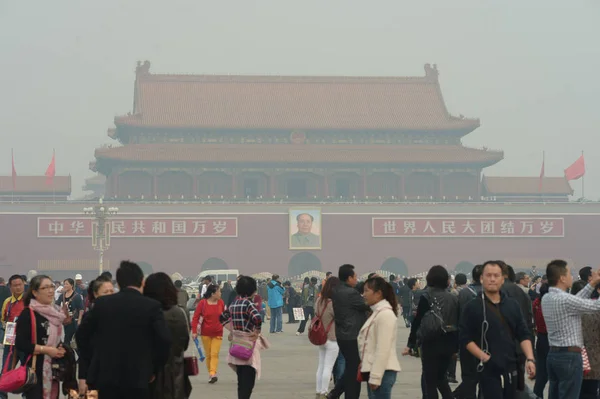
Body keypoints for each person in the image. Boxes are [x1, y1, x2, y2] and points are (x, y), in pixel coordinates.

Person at [76, 260, 171, 399]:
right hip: (139, 378)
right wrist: (153, 369)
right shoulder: (152, 306)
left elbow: (81, 335)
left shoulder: (103, 304)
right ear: (142, 281)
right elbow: (164, 341)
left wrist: (94, 359)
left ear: (118, 284)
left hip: (106, 377)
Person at [459, 261, 536, 399]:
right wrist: (484, 357)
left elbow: (523, 333)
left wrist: (530, 359)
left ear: (502, 279)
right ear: (481, 278)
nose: (492, 279)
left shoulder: (512, 305)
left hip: (511, 365)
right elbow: (465, 338)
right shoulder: (473, 306)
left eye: (496, 275)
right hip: (488, 368)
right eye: (488, 275)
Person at [542, 260, 600, 399]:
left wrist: (592, 283)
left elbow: (575, 300)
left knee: (555, 395)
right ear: (562, 278)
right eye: (569, 273)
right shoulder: (564, 300)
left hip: (553, 355)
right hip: (570, 357)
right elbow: (596, 306)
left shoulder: (547, 297)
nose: (571, 277)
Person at [405, 265, 459, 399]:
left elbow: (417, 322)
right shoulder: (453, 298)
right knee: (441, 378)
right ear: (446, 280)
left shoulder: (426, 296)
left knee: (430, 380)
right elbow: (458, 322)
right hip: (449, 342)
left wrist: (411, 343)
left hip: (430, 342)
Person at [15, 275, 67, 399]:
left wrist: (61, 349)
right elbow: (21, 343)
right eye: (45, 287)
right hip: (36, 369)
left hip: (53, 370)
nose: (50, 290)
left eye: (51, 287)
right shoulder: (28, 313)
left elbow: (57, 340)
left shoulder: (56, 312)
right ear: (35, 292)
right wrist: (47, 350)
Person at [144, 272, 191, 399]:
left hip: (150, 377)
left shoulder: (146, 313)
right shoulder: (182, 312)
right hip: (177, 376)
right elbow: (185, 343)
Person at [220, 276, 267, 399]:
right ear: (252, 290)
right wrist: (257, 331)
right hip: (247, 346)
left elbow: (222, 317)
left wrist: (232, 330)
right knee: (248, 383)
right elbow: (257, 318)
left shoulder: (234, 303)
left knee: (241, 382)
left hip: (236, 346)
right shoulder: (248, 304)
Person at [330, 264, 369, 399]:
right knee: (354, 368)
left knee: (351, 366)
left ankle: (335, 393)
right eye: (355, 277)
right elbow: (366, 304)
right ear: (348, 278)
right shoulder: (351, 293)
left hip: (342, 333)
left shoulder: (336, 290)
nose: (356, 280)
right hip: (351, 334)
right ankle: (349, 395)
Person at [360, 277, 401, 399]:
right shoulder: (377, 313)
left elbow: (383, 348)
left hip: (383, 372)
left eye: (367, 291)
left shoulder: (385, 315)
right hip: (375, 370)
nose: (364, 294)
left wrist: (376, 376)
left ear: (378, 294)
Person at [78, 277, 115, 395]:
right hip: (96, 374)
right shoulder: (90, 317)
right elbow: (83, 350)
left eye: (111, 291)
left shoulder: (120, 315)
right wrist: (82, 377)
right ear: (95, 294)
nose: (109, 295)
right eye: (105, 292)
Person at [453, 264, 483, 399]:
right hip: (488, 341)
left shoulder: (464, 293)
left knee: (469, 375)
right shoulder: (495, 292)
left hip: (467, 340)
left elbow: (457, 317)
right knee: (487, 377)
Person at [571, 280, 600, 399]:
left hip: (571, 358)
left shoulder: (568, 312)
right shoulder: (596, 310)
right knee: (590, 392)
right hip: (594, 359)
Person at [191, 284, 225, 384]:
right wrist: (194, 332)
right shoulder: (203, 303)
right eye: (219, 291)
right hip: (205, 333)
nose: (220, 293)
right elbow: (195, 318)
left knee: (214, 353)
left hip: (218, 332)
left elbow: (225, 316)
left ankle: (212, 373)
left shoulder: (221, 303)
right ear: (213, 293)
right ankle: (211, 373)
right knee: (208, 354)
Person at [0, 274, 26, 399]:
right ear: (10, 287)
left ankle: (27, 395)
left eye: (20, 285)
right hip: (10, 343)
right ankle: (2, 395)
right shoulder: (7, 302)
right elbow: (3, 319)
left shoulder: (29, 301)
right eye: (15, 285)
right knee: (5, 370)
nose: (18, 288)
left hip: (25, 343)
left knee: (27, 371)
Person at [314, 277, 340, 398]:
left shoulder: (319, 300)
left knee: (321, 365)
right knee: (328, 367)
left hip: (321, 336)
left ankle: (318, 391)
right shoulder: (333, 303)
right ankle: (324, 392)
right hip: (332, 337)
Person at [532, 283, 549, 398]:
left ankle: (537, 395)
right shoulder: (550, 305)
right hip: (551, 339)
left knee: (541, 372)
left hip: (541, 338)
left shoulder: (537, 303)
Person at [55, 278, 84, 347]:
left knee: (67, 340)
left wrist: (79, 320)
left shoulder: (77, 296)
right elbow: (56, 306)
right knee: (62, 341)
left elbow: (81, 309)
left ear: (72, 285)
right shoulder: (62, 296)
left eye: (67, 284)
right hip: (62, 321)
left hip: (72, 321)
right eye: (64, 284)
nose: (65, 285)